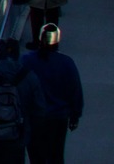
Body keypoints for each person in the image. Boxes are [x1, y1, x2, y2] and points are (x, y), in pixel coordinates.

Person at [24, 24, 82, 164]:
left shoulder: (27, 60)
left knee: (36, 157)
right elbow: (75, 90)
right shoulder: (66, 62)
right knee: (56, 155)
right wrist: (75, 114)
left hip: (34, 117)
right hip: (58, 117)